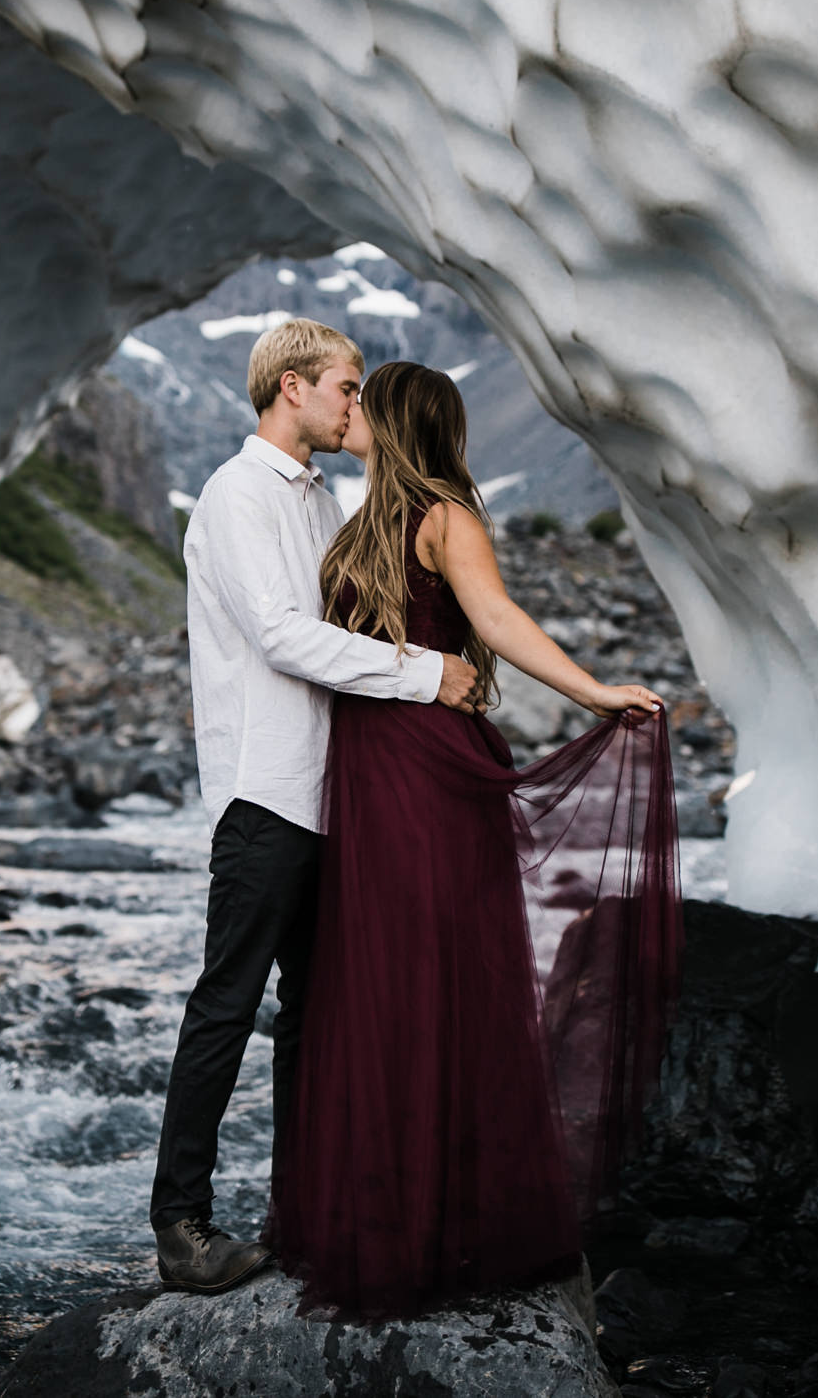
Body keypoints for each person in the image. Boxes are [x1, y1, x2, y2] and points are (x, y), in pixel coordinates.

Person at [269, 359, 682, 1320]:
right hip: (365, 767)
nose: (351, 407)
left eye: (368, 399)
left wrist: (593, 690)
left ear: (403, 418)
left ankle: (441, 1225)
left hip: (425, 767)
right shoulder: (359, 512)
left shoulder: (447, 511)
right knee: (370, 981)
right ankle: (383, 1212)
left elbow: (493, 618)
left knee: (427, 978)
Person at [150, 321, 482, 1294]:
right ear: (290, 387)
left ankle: (296, 1212)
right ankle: (179, 1224)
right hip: (263, 788)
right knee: (226, 1002)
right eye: (344, 386)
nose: (356, 404)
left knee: (312, 1011)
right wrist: (423, 672)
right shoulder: (238, 492)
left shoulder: (326, 496)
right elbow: (287, 636)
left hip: (329, 792)